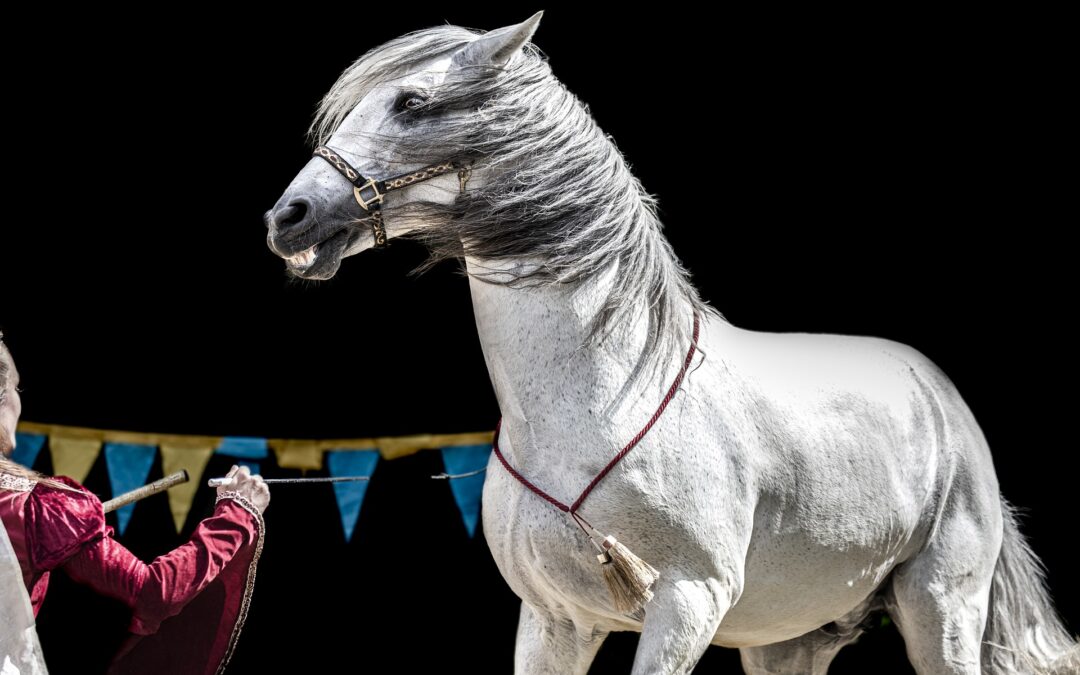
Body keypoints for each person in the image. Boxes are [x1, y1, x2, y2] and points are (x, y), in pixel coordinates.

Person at [0, 334, 270, 674]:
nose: (19, 400)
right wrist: (236, 512)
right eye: (16, 387)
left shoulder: (38, 508)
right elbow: (155, 593)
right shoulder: (39, 507)